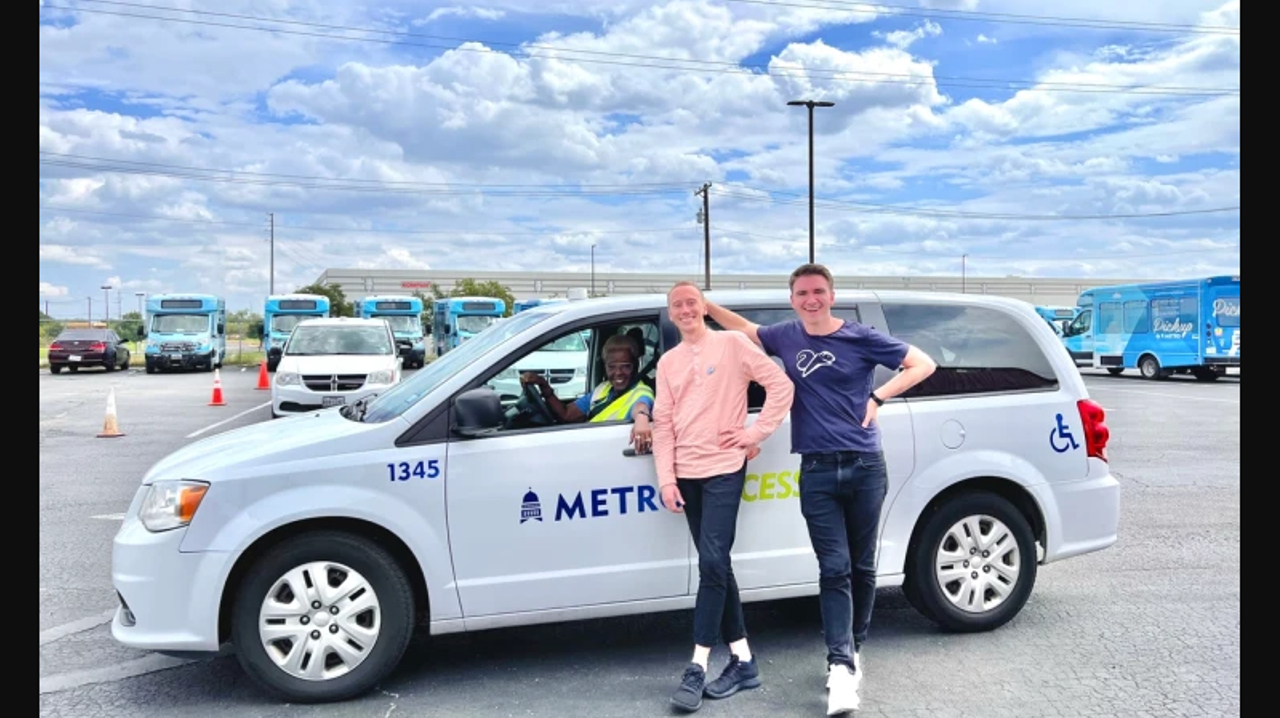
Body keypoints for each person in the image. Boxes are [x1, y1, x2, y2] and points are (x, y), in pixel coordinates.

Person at [704, 264, 937, 715]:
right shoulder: (786, 336)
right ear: (792, 299)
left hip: (866, 465)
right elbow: (747, 330)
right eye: (802, 293)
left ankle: (854, 646)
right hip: (816, 471)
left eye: (818, 292)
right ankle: (841, 667)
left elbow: (923, 363)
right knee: (834, 568)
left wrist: (878, 397)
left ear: (831, 296)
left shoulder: (860, 337)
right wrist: (704, 304)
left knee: (861, 565)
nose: (811, 299)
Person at [652, 281, 795, 712]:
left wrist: (755, 433)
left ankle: (696, 665)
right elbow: (663, 423)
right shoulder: (668, 362)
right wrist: (666, 479)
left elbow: (781, 386)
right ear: (672, 314)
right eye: (677, 305)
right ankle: (744, 661)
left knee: (712, 561)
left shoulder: (732, 344)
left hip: (725, 469)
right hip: (686, 473)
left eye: (692, 302)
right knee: (718, 564)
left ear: (705, 308)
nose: (685, 309)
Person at [520, 333, 655, 453]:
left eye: (626, 366)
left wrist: (642, 418)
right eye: (612, 367)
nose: (618, 372)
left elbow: (641, 406)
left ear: (636, 365)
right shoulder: (604, 388)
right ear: (605, 366)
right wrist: (543, 385)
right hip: (594, 450)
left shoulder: (642, 392)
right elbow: (566, 414)